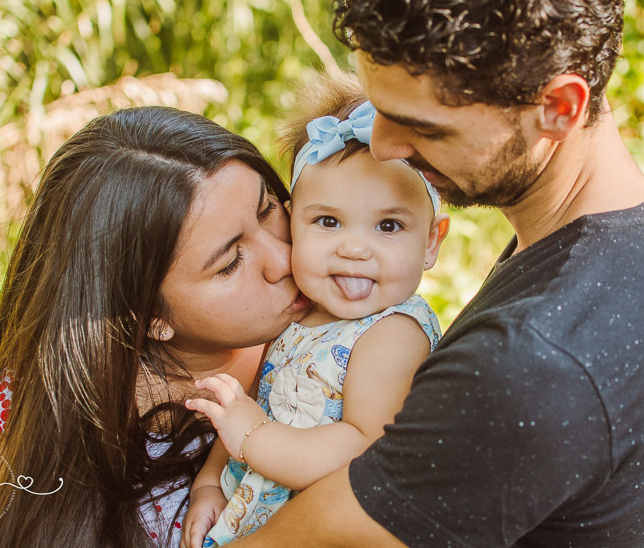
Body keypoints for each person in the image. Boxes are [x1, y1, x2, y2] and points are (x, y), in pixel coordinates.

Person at [223, 0, 644, 546]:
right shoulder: (627, 234)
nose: (383, 145)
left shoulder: (536, 356)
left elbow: (313, 535)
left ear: (557, 109)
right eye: (379, 110)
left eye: (423, 126)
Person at [0, 106, 313, 548]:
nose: (284, 258)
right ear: (147, 318)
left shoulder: (342, 339)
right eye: (230, 263)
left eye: (268, 207)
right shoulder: (24, 418)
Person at [179, 75, 450, 547]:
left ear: (430, 241)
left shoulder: (392, 334)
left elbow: (363, 448)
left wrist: (254, 438)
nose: (354, 249)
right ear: (292, 221)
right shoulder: (299, 313)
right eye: (328, 221)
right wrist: (210, 483)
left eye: (388, 225)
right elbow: (250, 410)